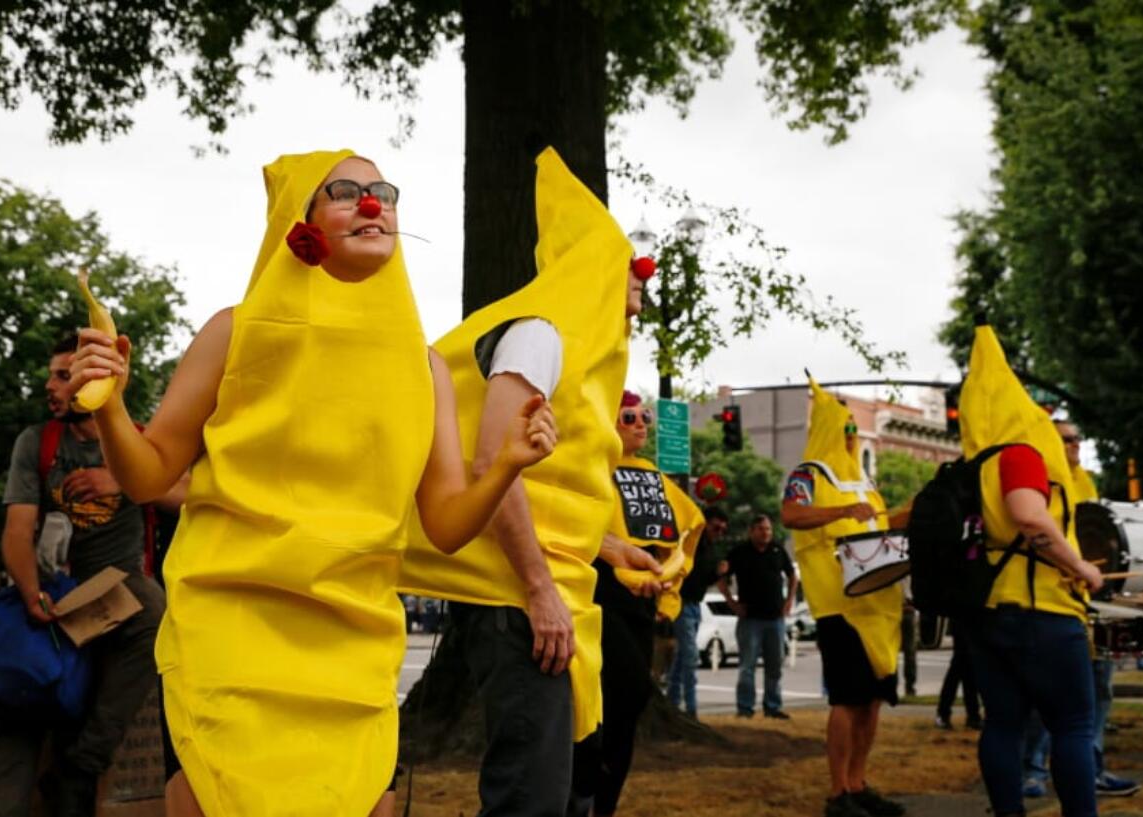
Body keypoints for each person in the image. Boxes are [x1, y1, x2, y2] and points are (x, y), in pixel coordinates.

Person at [68, 149, 558, 817]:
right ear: (299, 223)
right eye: (345, 190)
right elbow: (151, 475)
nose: (372, 202)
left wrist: (506, 464)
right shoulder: (234, 333)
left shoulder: (425, 369)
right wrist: (111, 406)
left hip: (351, 645)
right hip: (228, 635)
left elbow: (443, 523)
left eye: (383, 191)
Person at [398, 147, 645, 817]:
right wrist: (537, 590)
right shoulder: (541, 334)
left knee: (564, 790)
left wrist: (612, 549)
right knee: (529, 799)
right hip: (518, 596)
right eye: (632, 267)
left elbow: (553, 485)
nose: (640, 283)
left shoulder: (579, 350)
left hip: (551, 590)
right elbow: (493, 463)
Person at [0, 336, 184, 817]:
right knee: (19, 703)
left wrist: (125, 476)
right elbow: (17, 531)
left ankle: (83, 765)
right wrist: (31, 596)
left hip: (114, 587)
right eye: (52, 374)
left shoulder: (140, 436)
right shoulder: (38, 441)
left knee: (152, 610)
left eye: (62, 374)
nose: (50, 385)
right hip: (53, 593)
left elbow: (192, 493)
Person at [956, 325, 1104, 817]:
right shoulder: (1020, 454)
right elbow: (1028, 517)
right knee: (1073, 726)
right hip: (1043, 612)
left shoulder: (975, 466)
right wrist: (1080, 565)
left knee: (1002, 723)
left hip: (989, 615)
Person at [781, 376, 905, 817]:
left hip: (879, 609)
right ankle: (838, 794)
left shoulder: (865, 482)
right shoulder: (808, 474)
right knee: (847, 701)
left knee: (871, 703)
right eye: (846, 428)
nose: (852, 437)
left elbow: (884, 522)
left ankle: (858, 782)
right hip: (839, 607)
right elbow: (791, 514)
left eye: (855, 429)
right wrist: (841, 511)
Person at [588, 390, 705, 816]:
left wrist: (667, 577)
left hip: (643, 598)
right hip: (600, 593)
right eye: (630, 416)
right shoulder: (591, 468)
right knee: (618, 691)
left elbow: (687, 529)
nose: (642, 424)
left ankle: (604, 803)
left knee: (631, 702)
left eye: (646, 417)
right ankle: (585, 787)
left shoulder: (652, 475)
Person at [1021, 420, 1139, 798]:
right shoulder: (1041, 476)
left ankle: (1091, 767)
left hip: (1091, 597)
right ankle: (1033, 769)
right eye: (1066, 439)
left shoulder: (1085, 481)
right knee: (1050, 692)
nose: (1075, 445)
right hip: (1053, 599)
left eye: (1077, 438)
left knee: (1100, 686)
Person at [717, 514, 797, 720]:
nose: (766, 533)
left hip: (775, 619)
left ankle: (772, 706)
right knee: (747, 667)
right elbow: (722, 577)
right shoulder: (740, 552)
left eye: (768, 529)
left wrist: (789, 601)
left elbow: (792, 576)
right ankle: (745, 708)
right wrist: (732, 603)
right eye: (761, 529)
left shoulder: (778, 550)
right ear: (752, 531)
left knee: (774, 666)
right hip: (750, 619)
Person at [668, 506, 728, 716]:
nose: (719, 532)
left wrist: (717, 574)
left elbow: (701, 578)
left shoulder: (711, 548)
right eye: (716, 527)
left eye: (722, 529)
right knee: (690, 656)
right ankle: (691, 708)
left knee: (682, 657)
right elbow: (690, 573)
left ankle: (674, 702)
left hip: (694, 604)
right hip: (683, 602)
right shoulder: (693, 544)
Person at [934, 620, 981, 730]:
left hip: (967, 622)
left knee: (965, 669)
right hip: (964, 621)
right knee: (959, 669)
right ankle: (946, 713)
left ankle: (971, 714)